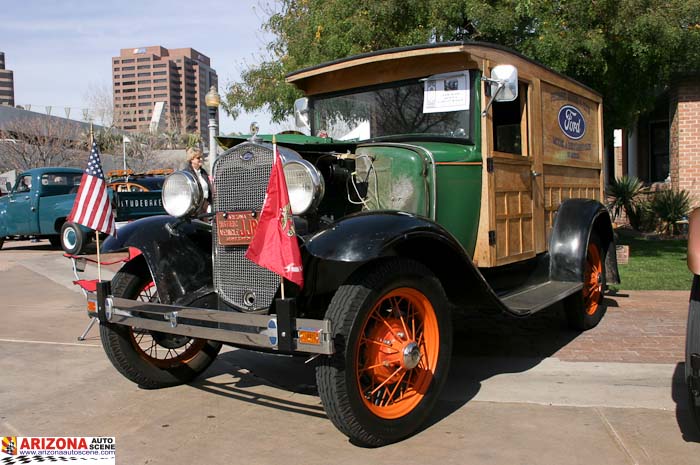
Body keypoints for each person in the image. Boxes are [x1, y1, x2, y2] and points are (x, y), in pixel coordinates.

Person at [184, 147, 212, 213]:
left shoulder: (203, 172)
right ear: (191, 159)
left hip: (205, 207)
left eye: (201, 157)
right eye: (198, 158)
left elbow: (209, 190)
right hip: (193, 209)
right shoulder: (186, 174)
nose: (201, 159)